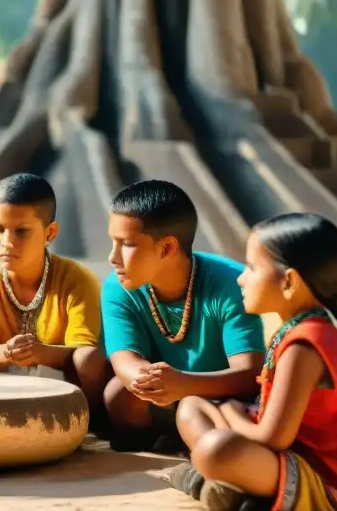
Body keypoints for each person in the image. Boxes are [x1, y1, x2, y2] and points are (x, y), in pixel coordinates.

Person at [167, 213, 337, 511]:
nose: (241, 277)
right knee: (191, 407)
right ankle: (230, 486)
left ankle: (205, 478)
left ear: (289, 281)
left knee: (215, 449)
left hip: (330, 483)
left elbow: (273, 438)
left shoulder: (305, 346)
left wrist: (231, 414)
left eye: (253, 268)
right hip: (291, 452)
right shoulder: (299, 329)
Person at [101, 180, 266, 452]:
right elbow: (124, 360)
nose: (113, 257)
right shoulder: (117, 287)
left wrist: (184, 384)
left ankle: (204, 451)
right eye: (113, 242)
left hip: (220, 399)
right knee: (118, 393)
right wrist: (152, 381)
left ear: (166, 248)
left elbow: (248, 373)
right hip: (162, 396)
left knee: (200, 411)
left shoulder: (231, 284)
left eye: (126, 244)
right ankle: (163, 442)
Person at [0, 174, 110, 426]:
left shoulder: (76, 280)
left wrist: (41, 353)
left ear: (50, 232)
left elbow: (83, 349)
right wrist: (8, 352)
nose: (7, 242)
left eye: (21, 231)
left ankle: (90, 424)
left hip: (61, 385)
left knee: (87, 358)